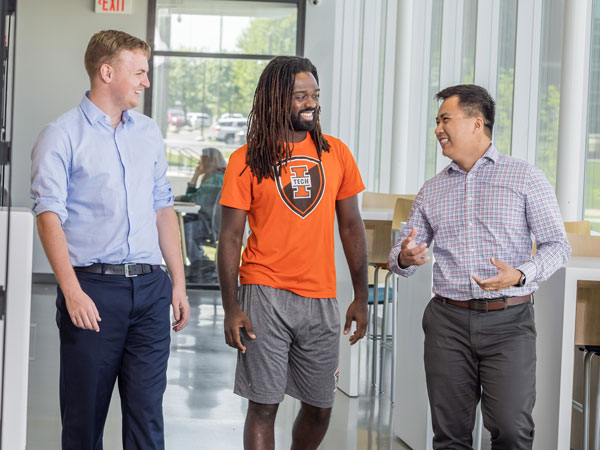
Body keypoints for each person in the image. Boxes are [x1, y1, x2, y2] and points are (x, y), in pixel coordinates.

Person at [30, 30, 190, 450]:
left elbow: (163, 208)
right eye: (138, 72)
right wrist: (72, 291)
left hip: (151, 291)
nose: (146, 81)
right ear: (107, 72)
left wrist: (177, 283)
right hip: (93, 291)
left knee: (147, 419)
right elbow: (48, 217)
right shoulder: (61, 135)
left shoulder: (149, 133)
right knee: (84, 422)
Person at [389, 84, 571, 449]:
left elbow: (558, 245)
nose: (438, 129)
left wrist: (521, 274)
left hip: (509, 322)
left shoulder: (525, 177)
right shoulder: (432, 189)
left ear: (477, 123)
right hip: (447, 322)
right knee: (450, 435)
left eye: (445, 119)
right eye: (436, 121)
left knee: (511, 429)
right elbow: (400, 256)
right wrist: (404, 257)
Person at [218, 56, 368, 450]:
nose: (311, 103)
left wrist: (361, 295)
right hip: (264, 291)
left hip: (321, 296)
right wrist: (231, 307)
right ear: (275, 99)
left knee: (320, 407)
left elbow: (351, 226)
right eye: (300, 95)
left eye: (315, 95)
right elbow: (230, 238)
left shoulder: (336, 153)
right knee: (264, 405)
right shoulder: (246, 159)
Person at [175, 147, 226, 283]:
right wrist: (196, 175)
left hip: (209, 225)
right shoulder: (215, 177)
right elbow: (195, 195)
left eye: (201, 162)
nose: (199, 164)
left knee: (181, 228)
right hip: (210, 222)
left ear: (209, 162)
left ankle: (200, 262)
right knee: (181, 224)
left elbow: (195, 199)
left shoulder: (216, 180)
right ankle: (200, 261)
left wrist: (180, 197)